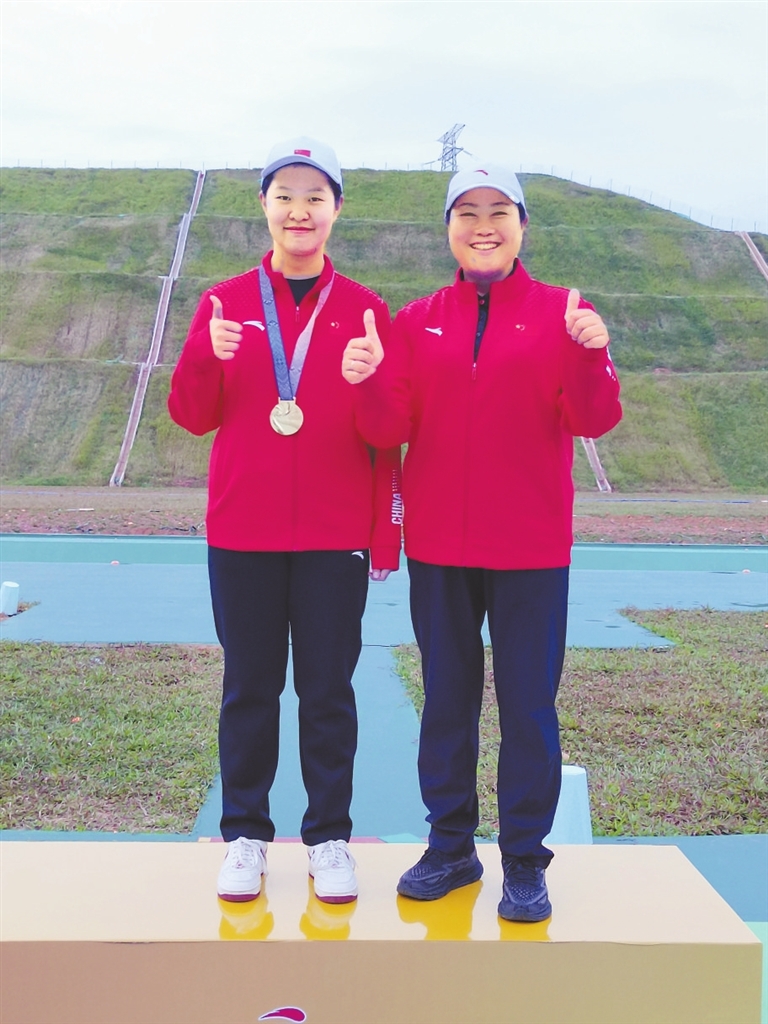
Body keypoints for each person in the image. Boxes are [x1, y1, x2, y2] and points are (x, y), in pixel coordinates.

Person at [342, 163, 622, 922]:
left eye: (500, 210)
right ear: (449, 230)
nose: (483, 225)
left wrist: (592, 353)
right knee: (447, 701)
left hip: (532, 550)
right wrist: (366, 379)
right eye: (467, 211)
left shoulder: (564, 312)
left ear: (522, 225)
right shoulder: (416, 320)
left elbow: (593, 419)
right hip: (441, 548)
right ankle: (451, 846)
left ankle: (524, 860)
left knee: (528, 706)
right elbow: (388, 427)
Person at [169, 137, 401, 905]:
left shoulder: (365, 309)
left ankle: (329, 838)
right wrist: (204, 355)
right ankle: (245, 835)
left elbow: (387, 430)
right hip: (244, 533)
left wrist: (371, 381)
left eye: (315, 197)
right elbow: (192, 414)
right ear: (264, 206)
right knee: (250, 689)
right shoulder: (224, 303)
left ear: (336, 209)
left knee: (328, 692)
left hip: (335, 537)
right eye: (285, 196)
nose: (300, 211)